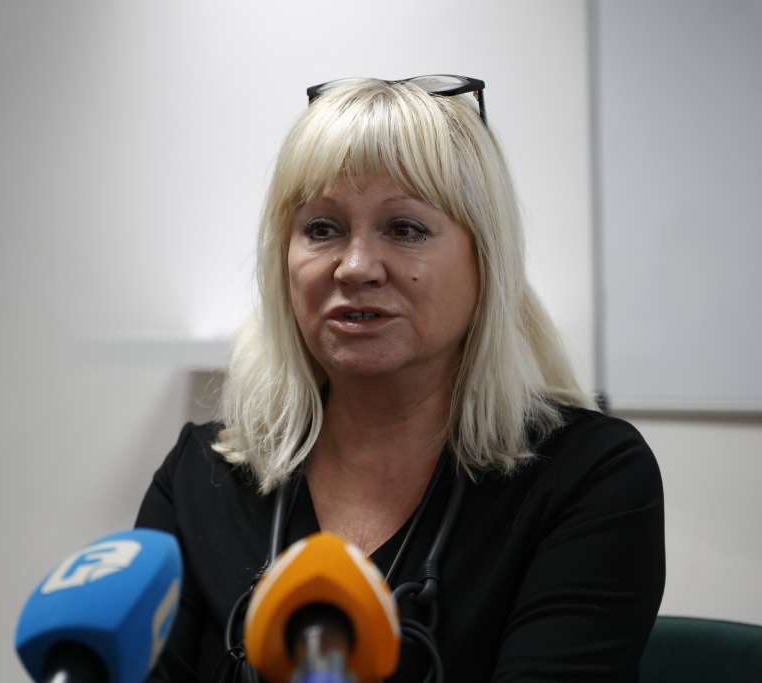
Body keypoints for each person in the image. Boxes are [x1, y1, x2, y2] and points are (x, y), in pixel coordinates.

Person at [136, 76, 665, 682]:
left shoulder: (588, 475)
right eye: (322, 228)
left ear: (485, 261)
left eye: (405, 229)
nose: (356, 267)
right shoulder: (199, 477)